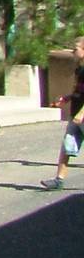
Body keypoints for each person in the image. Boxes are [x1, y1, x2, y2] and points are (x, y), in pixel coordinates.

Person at [41, 35, 84, 190]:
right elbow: (80, 91)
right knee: (67, 145)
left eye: (75, 49)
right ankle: (59, 180)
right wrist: (68, 98)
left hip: (81, 115)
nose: (73, 52)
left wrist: (82, 113)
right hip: (75, 114)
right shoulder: (79, 69)